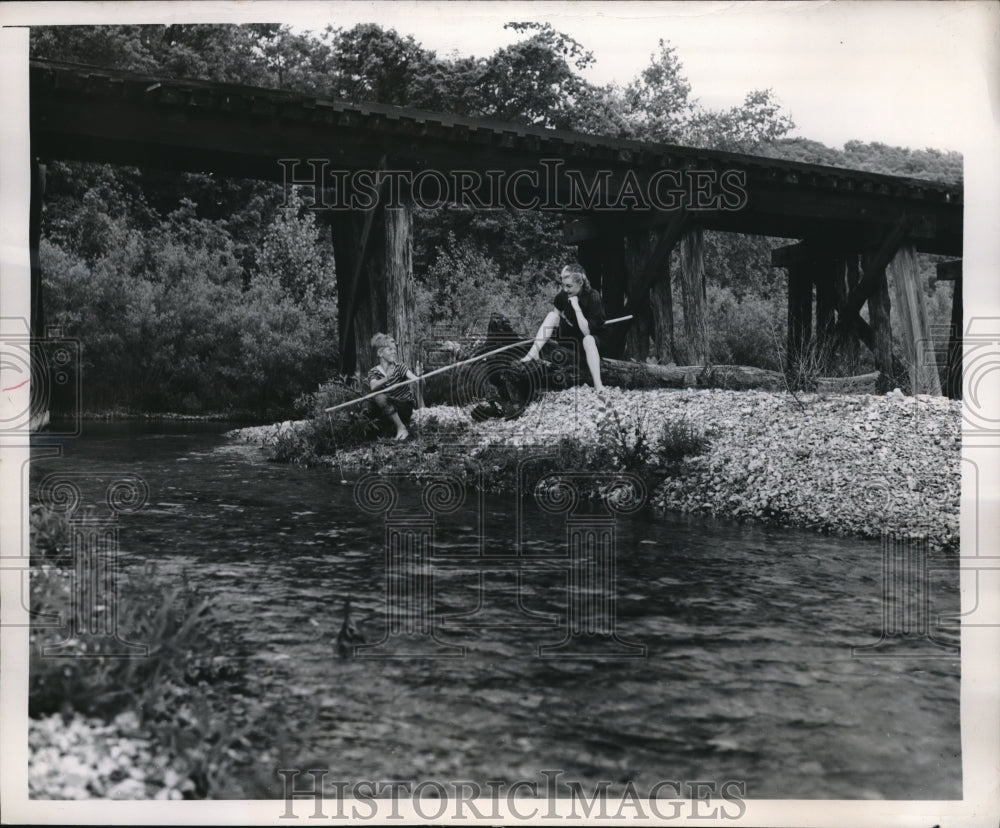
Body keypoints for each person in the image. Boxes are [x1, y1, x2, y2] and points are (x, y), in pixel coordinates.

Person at [520, 264, 606, 392]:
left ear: (580, 283)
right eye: (563, 285)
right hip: (568, 337)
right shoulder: (562, 296)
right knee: (552, 315)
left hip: (588, 342)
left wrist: (576, 307)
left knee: (588, 339)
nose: (565, 289)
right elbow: (556, 319)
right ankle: (533, 352)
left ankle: (598, 385)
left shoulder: (593, 296)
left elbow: (586, 331)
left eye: (569, 286)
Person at [367, 333, 423, 440]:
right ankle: (395, 427)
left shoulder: (400, 367)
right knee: (376, 398)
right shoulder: (373, 371)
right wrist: (386, 378)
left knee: (380, 397)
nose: (394, 351)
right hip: (389, 410)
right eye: (390, 349)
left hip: (405, 406)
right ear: (380, 353)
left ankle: (401, 428)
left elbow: (414, 379)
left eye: (394, 349)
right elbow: (373, 386)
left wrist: (419, 377)